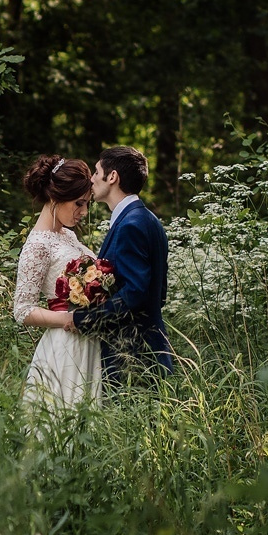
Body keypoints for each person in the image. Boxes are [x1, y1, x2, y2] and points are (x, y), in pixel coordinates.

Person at [65, 145, 173, 385]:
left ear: (112, 176)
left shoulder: (130, 225)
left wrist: (84, 319)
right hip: (150, 347)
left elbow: (135, 292)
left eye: (95, 172)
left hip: (132, 356)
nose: (91, 180)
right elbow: (159, 293)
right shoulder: (148, 219)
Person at [13, 155, 103, 407]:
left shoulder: (69, 236)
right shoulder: (38, 245)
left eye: (87, 204)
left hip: (90, 338)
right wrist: (69, 318)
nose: (84, 212)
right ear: (55, 197)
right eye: (79, 203)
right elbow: (22, 309)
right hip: (65, 344)